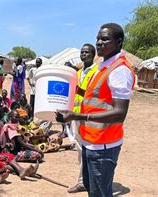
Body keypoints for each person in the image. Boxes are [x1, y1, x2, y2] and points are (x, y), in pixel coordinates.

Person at [56, 23, 135, 196]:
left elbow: (119, 114)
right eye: (98, 39)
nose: (99, 43)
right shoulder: (102, 67)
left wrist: (77, 115)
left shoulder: (119, 70)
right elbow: (92, 96)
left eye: (105, 39)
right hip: (90, 140)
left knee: (99, 193)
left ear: (119, 42)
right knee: (92, 189)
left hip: (104, 144)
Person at [67, 43, 99, 193]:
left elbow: (95, 92)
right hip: (76, 115)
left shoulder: (97, 72)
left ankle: (86, 181)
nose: (83, 54)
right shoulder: (78, 73)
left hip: (89, 116)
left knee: (90, 150)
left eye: (87, 52)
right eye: (82, 52)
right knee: (80, 149)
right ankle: (83, 181)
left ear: (93, 55)